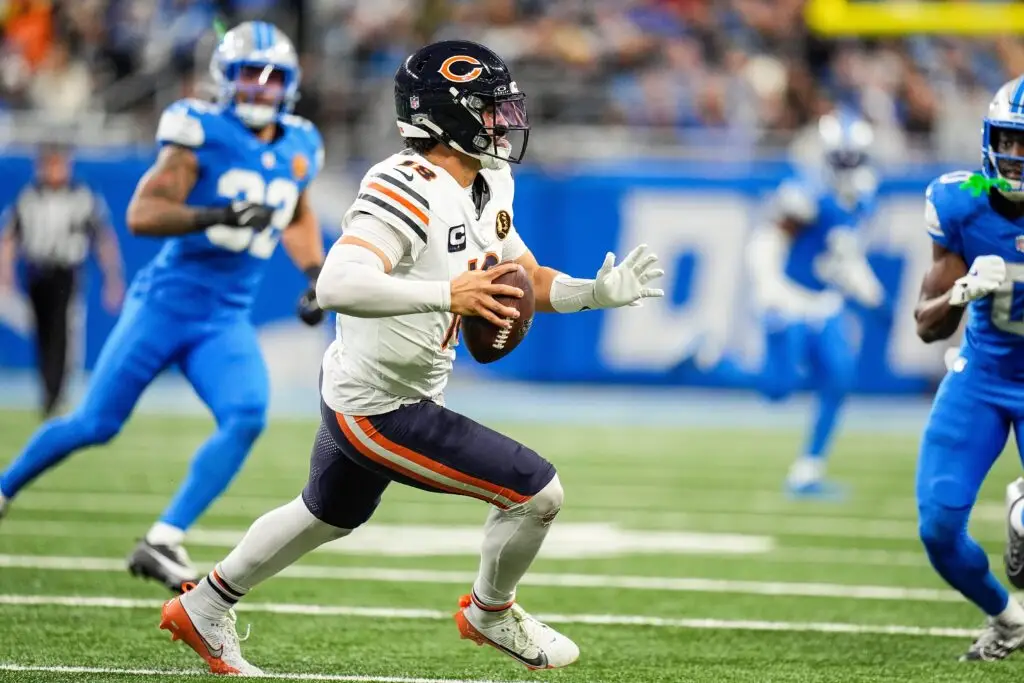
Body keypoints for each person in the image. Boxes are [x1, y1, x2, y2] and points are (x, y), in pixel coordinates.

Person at [157, 39, 664, 676]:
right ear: (443, 115)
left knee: (325, 514)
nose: (502, 122)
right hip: (380, 405)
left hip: (384, 385)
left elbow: (521, 274)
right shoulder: (405, 184)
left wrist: (593, 293)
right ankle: (490, 611)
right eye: (487, 108)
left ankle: (204, 606)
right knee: (536, 492)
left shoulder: (489, 181)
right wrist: (444, 293)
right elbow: (337, 283)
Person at [0, 21, 327, 594]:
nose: (261, 87)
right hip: (165, 305)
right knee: (95, 424)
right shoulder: (201, 130)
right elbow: (142, 213)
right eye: (250, 73)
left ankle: (164, 537)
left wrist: (316, 274)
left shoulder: (302, 143)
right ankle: (4, 488)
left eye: (273, 77)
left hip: (225, 317)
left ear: (290, 85)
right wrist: (215, 215)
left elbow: (296, 212)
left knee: (247, 414)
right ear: (225, 79)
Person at [915, 76, 1024, 661]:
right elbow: (926, 323)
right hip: (982, 375)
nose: (1017, 158)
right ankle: (1008, 620)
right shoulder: (962, 201)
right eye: (1011, 141)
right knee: (937, 527)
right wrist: (959, 293)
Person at [745, 111, 886, 498]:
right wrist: (768, 288)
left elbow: (845, 252)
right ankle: (709, 361)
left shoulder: (865, 195)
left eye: (851, 157)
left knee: (839, 378)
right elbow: (767, 242)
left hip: (825, 302)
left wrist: (866, 289)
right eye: (840, 157)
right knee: (779, 390)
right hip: (791, 297)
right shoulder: (805, 192)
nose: (846, 165)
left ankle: (808, 470)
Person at [0, 144, 124, 417]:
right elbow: (10, 237)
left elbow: (103, 239)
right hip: (36, 270)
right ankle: (48, 390)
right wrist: (5, 272)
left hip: (66, 271)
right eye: (51, 165)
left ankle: (55, 393)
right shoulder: (29, 196)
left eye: (60, 165)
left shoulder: (82, 196)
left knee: (61, 333)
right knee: (43, 334)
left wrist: (112, 277)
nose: (56, 171)